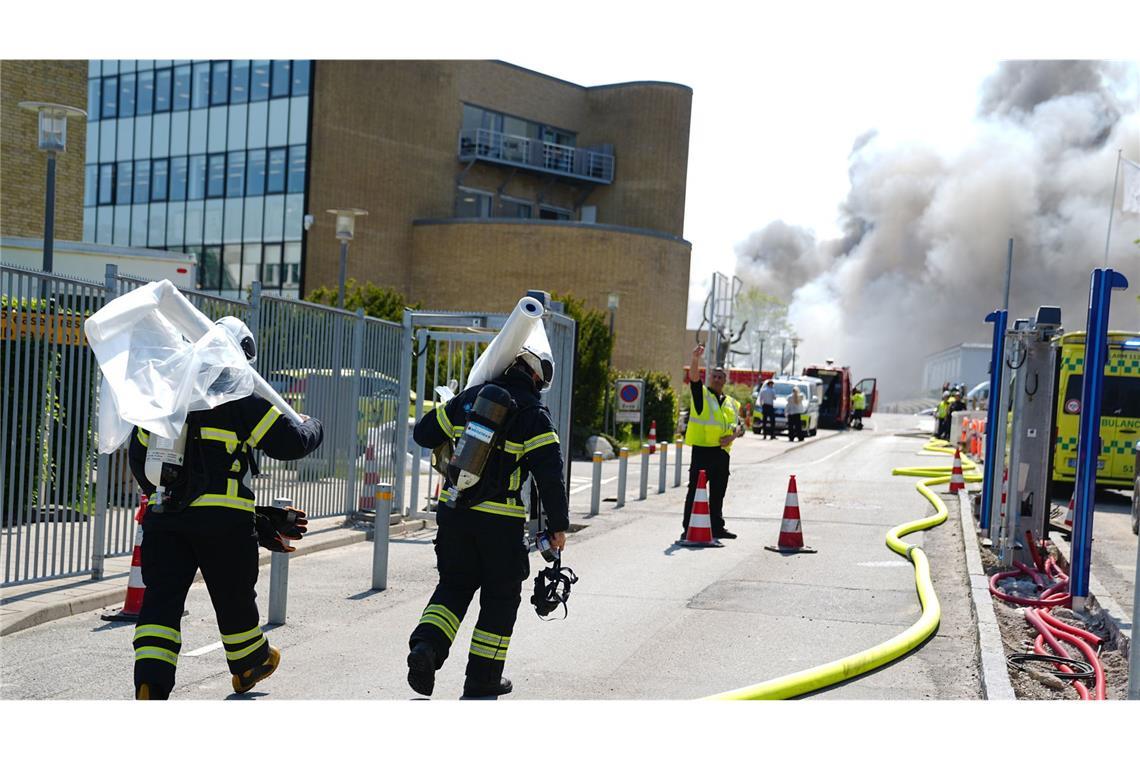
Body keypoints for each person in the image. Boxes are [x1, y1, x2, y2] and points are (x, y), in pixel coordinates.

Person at [127, 318, 324, 700]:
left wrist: (171, 496)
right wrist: (313, 424)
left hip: (165, 519)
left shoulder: (168, 396)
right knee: (233, 597)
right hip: (223, 524)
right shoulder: (240, 398)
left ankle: (150, 681)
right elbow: (291, 443)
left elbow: (138, 460)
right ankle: (250, 663)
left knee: (161, 601)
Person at [406, 345, 569, 699]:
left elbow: (422, 434)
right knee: (499, 599)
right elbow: (550, 474)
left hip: (455, 513)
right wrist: (558, 524)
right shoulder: (534, 414)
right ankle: (482, 679)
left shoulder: (470, 399)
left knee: (453, 586)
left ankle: (426, 648)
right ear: (537, 375)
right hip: (501, 522)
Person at [682, 344, 744, 540]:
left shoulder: (732, 403)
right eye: (714, 376)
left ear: (725, 380)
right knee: (694, 491)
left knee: (718, 493)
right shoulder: (703, 395)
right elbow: (693, 378)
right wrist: (694, 359)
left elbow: (740, 427)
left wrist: (732, 436)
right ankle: (688, 528)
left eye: (720, 377)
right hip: (702, 452)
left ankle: (717, 527)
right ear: (710, 379)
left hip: (721, 453)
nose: (717, 379)